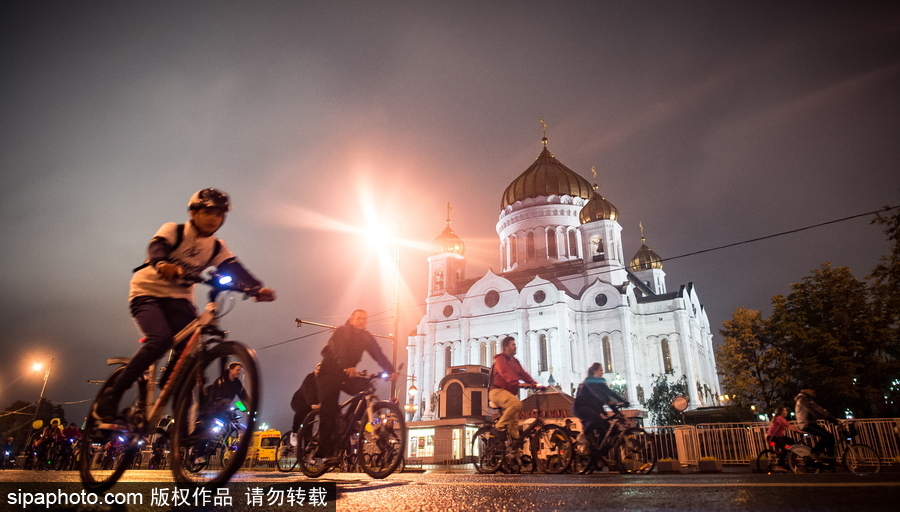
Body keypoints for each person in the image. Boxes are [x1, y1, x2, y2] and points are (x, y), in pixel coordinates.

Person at [92, 188, 275, 421]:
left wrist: (256, 288)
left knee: (193, 347)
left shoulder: (217, 247)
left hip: (179, 299)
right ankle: (112, 395)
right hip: (147, 293)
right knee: (160, 340)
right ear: (193, 212)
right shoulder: (174, 230)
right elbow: (157, 247)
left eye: (220, 214)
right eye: (208, 211)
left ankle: (181, 410)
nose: (214, 219)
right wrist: (161, 263)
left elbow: (235, 268)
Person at [316, 309, 397, 462]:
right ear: (351, 319)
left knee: (367, 389)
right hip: (329, 373)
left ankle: (350, 421)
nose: (362, 321)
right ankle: (325, 453)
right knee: (329, 409)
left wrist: (390, 370)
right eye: (358, 318)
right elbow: (338, 349)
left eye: (364, 319)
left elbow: (378, 354)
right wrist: (346, 365)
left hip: (347, 374)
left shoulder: (366, 337)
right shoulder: (342, 331)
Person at [488, 336, 539, 442]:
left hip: (508, 394)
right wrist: (519, 384)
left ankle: (514, 453)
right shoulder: (500, 359)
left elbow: (524, 374)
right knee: (516, 404)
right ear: (506, 347)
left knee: (514, 426)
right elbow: (505, 373)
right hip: (497, 392)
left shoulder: (515, 362)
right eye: (513, 344)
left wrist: (534, 384)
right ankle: (499, 427)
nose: (515, 347)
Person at [572, 363, 626, 451]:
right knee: (597, 419)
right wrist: (607, 401)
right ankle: (583, 435)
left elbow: (610, 393)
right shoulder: (589, 381)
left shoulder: (600, 383)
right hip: (581, 407)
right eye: (600, 370)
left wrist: (622, 402)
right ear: (594, 371)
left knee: (606, 429)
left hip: (593, 409)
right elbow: (596, 394)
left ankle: (599, 454)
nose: (602, 372)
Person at [794, 388, 839, 459]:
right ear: (805, 390)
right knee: (827, 436)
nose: (812, 391)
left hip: (811, 423)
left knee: (830, 437)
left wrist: (831, 418)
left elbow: (819, 409)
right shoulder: (802, 399)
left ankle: (830, 458)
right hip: (806, 424)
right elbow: (813, 411)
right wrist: (825, 417)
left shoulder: (808, 399)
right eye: (810, 389)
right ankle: (813, 452)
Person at [290, 363, 320, 433]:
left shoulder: (322, 382)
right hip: (299, 401)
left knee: (310, 421)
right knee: (301, 412)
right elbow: (307, 391)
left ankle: (308, 439)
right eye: (318, 370)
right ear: (315, 370)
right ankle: (294, 433)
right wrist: (312, 403)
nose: (319, 372)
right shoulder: (310, 377)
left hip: (311, 404)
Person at [767, 406, 799, 471]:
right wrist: (797, 431)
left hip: (779, 436)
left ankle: (790, 459)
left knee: (792, 442)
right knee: (785, 449)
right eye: (785, 411)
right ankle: (779, 465)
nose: (786, 412)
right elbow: (787, 426)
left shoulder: (782, 418)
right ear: (781, 412)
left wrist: (800, 430)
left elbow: (790, 425)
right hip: (773, 436)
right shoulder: (779, 418)